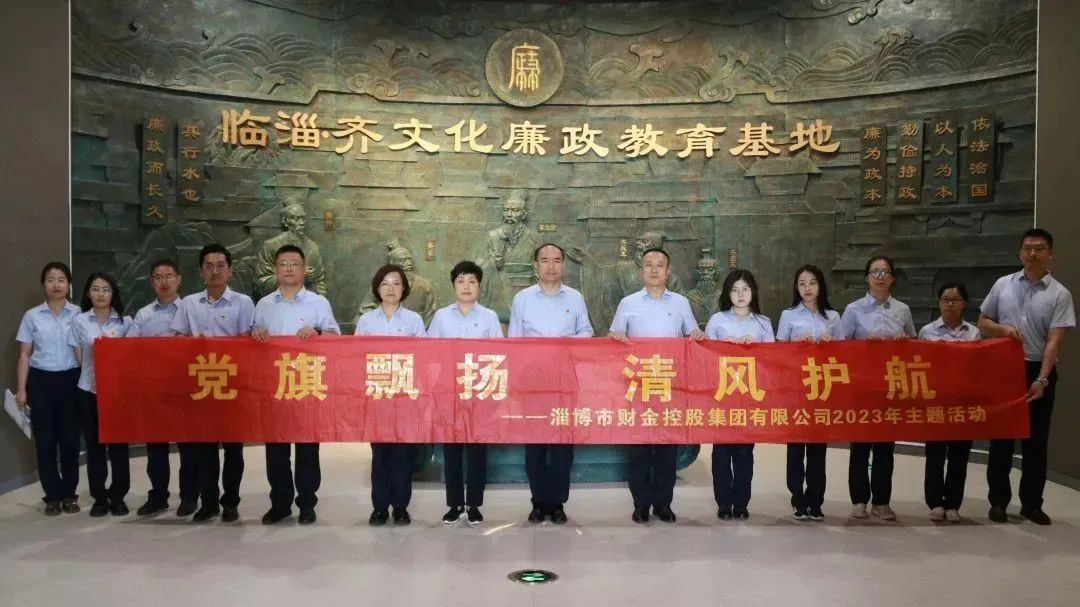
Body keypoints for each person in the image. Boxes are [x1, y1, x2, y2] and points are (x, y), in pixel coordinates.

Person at [979, 228, 1074, 526]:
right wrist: (1002, 329)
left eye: (1040, 248)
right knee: (1001, 441)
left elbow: (1054, 342)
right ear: (1020, 253)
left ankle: (1032, 504)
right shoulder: (1002, 285)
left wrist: (1042, 379)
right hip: (1004, 370)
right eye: (1028, 248)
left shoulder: (1060, 294)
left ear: (1050, 254)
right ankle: (998, 501)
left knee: (1035, 442)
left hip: (1038, 371)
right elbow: (983, 321)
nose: (1033, 253)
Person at [609, 248, 704, 524]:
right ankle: (640, 504)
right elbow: (614, 337)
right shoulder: (628, 303)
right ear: (641, 271)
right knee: (638, 450)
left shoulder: (681, 304)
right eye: (648, 264)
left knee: (666, 450)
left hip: (669, 387)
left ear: (668, 271)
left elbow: (692, 335)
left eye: (659, 265)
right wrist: (615, 337)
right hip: (637, 388)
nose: (654, 269)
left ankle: (663, 504)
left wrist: (697, 335)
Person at [252, 244, 340, 526]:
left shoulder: (318, 303)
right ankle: (280, 503)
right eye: (283, 264)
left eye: (294, 263)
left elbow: (334, 338)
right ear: (275, 269)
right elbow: (253, 343)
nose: (289, 268)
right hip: (275, 386)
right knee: (276, 449)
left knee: (307, 449)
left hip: (306, 384)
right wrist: (256, 333)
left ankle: (306, 503)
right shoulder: (264, 305)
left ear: (304, 269)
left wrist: (317, 332)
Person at [508, 244, 593, 524]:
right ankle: (538, 501)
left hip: (565, 380)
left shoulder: (576, 298)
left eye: (556, 260)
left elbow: (587, 331)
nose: (551, 266)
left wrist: (564, 343)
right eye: (544, 260)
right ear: (536, 265)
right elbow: (514, 339)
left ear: (563, 265)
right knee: (534, 444)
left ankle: (557, 503)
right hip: (532, 381)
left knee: (561, 445)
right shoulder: (522, 299)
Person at [172, 243, 255, 522]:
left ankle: (230, 502)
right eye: (209, 266)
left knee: (233, 449)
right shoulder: (188, 303)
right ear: (201, 272)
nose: (215, 271)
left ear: (230, 271)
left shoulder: (243, 303)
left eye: (220, 266)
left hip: (232, 385)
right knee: (204, 448)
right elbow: (177, 339)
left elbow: (245, 343)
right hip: (201, 385)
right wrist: (190, 343)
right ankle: (208, 502)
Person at [838, 255, 916, 521]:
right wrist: (862, 345)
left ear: (892, 278)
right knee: (860, 446)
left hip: (891, 387)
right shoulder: (853, 310)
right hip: (862, 385)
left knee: (885, 446)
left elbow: (914, 344)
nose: (880, 276)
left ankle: (882, 501)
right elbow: (841, 345)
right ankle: (859, 500)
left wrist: (905, 341)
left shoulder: (903, 310)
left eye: (885, 272)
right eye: (875, 272)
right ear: (867, 278)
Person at [427, 260, 504, 525]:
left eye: (472, 281)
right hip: (448, 391)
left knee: (477, 452)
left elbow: (499, 354)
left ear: (479, 286)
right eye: (461, 281)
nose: (466, 286)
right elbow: (429, 353)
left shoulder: (489, 317)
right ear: (453, 286)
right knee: (451, 451)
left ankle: (473, 504)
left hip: (480, 391)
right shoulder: (441, 317)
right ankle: (454, 504)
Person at [355, 263, 426, 527]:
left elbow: (424, 358)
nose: (390, 288)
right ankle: (379, 508)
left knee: (401, 455)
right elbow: (356, 358)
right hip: (376, 397)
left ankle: (400, 507)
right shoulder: (366, 321)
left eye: (396, 283)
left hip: (404, 397)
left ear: (404, 288)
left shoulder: (414, 321)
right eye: (385, 283)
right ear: (377, 288)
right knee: (380, 455)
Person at [129, 259, 197, 516]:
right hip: (154, 389)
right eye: (158, 277)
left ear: (178, 279)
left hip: (186, 388)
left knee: (188, 447)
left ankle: (189, 497)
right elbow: (129, 350)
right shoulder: (143, 315)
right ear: (151, 282)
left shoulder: (191, 309)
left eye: (169, 276)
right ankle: (158, 497)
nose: (164, 281)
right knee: (155, 447)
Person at [705, 269, 774, 521]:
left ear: (753, 291)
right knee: (721, 453)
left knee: (745, 453)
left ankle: (741, 503)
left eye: (745, 289)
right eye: (735, 290)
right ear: (728, 294)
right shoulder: (717, 320)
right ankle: (724, 503)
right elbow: (706, 358)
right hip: (722, 397)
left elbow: (772, 361)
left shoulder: (763, 323)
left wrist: (753, 349)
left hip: (749, 398)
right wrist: (725, 347)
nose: (740, 294)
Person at [15, 262, 82, 515]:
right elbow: (24, 355)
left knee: (70, 441)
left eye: (61, 279)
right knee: (45, 442)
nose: (56, 285)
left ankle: (69, 494)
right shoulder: (32, 316)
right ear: (44, 285)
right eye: (51, 279)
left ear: (68, 285)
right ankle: (52, 496)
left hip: (71, 380)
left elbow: (85, 352)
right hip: (40, 382)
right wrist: (22, 390)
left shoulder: (78, 314)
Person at [776, 264, 840, 522]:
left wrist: (831, 345)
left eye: (812, 283)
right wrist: (794, 346)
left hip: (822, 390)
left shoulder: (833, 317)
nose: (807, 288)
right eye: (802, 283)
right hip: (796, 390)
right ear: (796, 287)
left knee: (817, 450)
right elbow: (778, 353)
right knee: (795, 450)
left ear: (820, 285)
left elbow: (845, 354)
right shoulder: (788, 315)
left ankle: (815, 501)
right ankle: (797, 499)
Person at [69, 272, 135, 517]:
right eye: (95, 289)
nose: (100, 294)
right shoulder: (79, 321)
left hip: (117, 392)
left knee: (118, 445)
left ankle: (118, 496)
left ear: (113, 293)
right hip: (89, 389)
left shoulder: (125, 322)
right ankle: (99, 497)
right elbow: (79, 356)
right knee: (94, 445)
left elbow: (131, 357)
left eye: (106, 289)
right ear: (88, 293)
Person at [918, 281, 979, 522]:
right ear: (939, 302)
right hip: (936, 403)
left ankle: (953, 503)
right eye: (945, 299)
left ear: (964, 304)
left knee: (959, 455)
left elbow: (977, 368)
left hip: (963, 403)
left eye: (955, 299)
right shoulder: (927, 332)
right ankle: (935, 502)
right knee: (934, 455)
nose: (950, 304)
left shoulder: (973, 333)